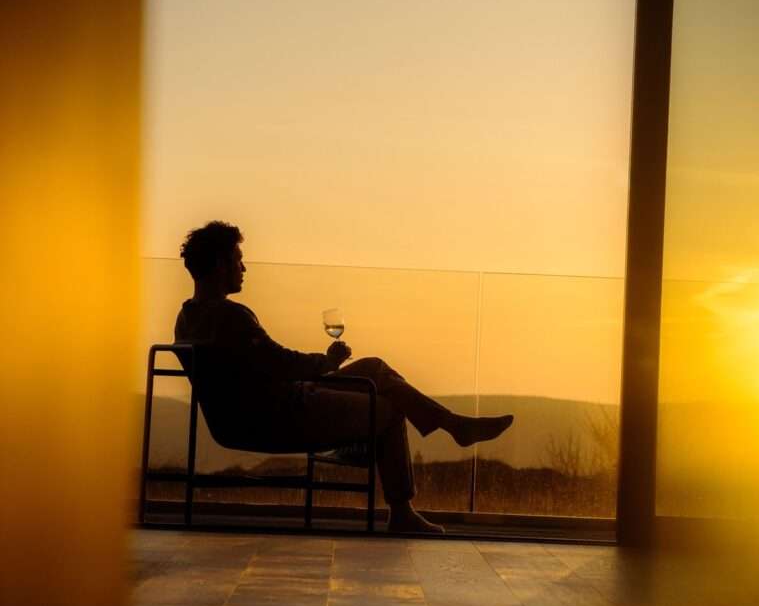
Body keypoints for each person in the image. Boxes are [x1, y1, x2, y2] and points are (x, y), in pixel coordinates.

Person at [174, 221, 513, 534]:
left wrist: (324, 366)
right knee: (390, 407)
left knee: (372, 367)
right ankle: (403, 509)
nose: (243, 268)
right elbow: (280, 362)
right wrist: (327, 361)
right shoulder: (231, 316)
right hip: (284, 415)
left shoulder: (186, 319)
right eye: (238, 260)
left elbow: (263, 366)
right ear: (220, 265)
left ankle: (453, 425)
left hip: (248, 416)